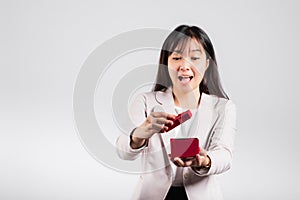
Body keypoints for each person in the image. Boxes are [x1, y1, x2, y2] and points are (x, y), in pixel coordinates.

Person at [116, 25, 237, 200]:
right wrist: (139, 134)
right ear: (166, 63)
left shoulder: (223, 108)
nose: (184, 66)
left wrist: (203, 161)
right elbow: (122, 151)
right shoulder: (145, 101)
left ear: (207, 63)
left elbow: (225, 154)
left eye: (195, 58)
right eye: (177, 58)